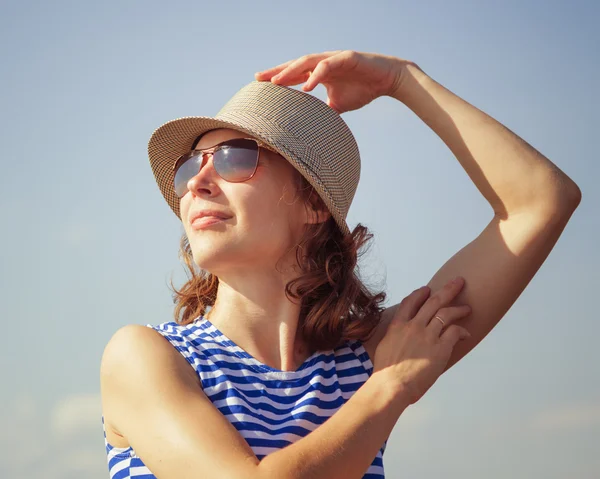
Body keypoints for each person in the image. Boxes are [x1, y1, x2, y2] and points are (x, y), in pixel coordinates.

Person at [99, 50, 581, 479]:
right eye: (190, 165)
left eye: (232, 158)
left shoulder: (374, 356)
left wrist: (404, 81)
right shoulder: (146, 355)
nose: (197, 182)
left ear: (313, 204)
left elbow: (542, 201)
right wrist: (389, 388)